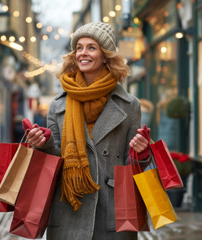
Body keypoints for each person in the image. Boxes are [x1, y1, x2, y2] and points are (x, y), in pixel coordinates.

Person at [25, 22, 150, 240]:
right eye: (79, 47)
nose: (83, 53)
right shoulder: (58, 105)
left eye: (91, 47)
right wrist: (42, 143)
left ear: (105, 56)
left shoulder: (130, 105)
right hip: (68, 209)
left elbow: (134, 167)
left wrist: (142, 153)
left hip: (112, 211)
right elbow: (53, 161)